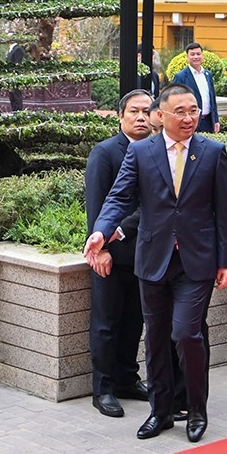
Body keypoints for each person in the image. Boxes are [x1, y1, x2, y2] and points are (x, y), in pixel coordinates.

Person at [87, 84, 227, 442]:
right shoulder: (141, 152)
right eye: (180, 112)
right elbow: (119, 197)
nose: (188, 118)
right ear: (162, 115)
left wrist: (226, 261)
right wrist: (101, 232)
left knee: (186, 333)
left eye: (193, 111)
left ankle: (197, 409)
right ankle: (161, 411)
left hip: (196, 262)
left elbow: (224, 211)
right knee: (154, 339)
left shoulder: (213, 151)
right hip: (153, 259)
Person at [82, 90, 153, 417]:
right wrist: (103, 249)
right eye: (134, 112)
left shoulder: (155, 151)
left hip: (145, 254)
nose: (141, 117)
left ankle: (128, 378)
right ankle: (104, 389)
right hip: (110, 255)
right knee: (106, 324)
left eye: (146, 111)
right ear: (120, 116)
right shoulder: (106, 153)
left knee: (133, 322)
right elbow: (96, 207)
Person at [171, 43, 220, 134]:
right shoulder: (181, 76)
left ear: (202, 55)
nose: (196, 57)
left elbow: (212, 99)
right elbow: (174, 99)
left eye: (198, 54)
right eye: (192, 54)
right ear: (187, 57)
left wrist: (216, 120)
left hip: (208, 121)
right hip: (190, 121)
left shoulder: (208, 74)